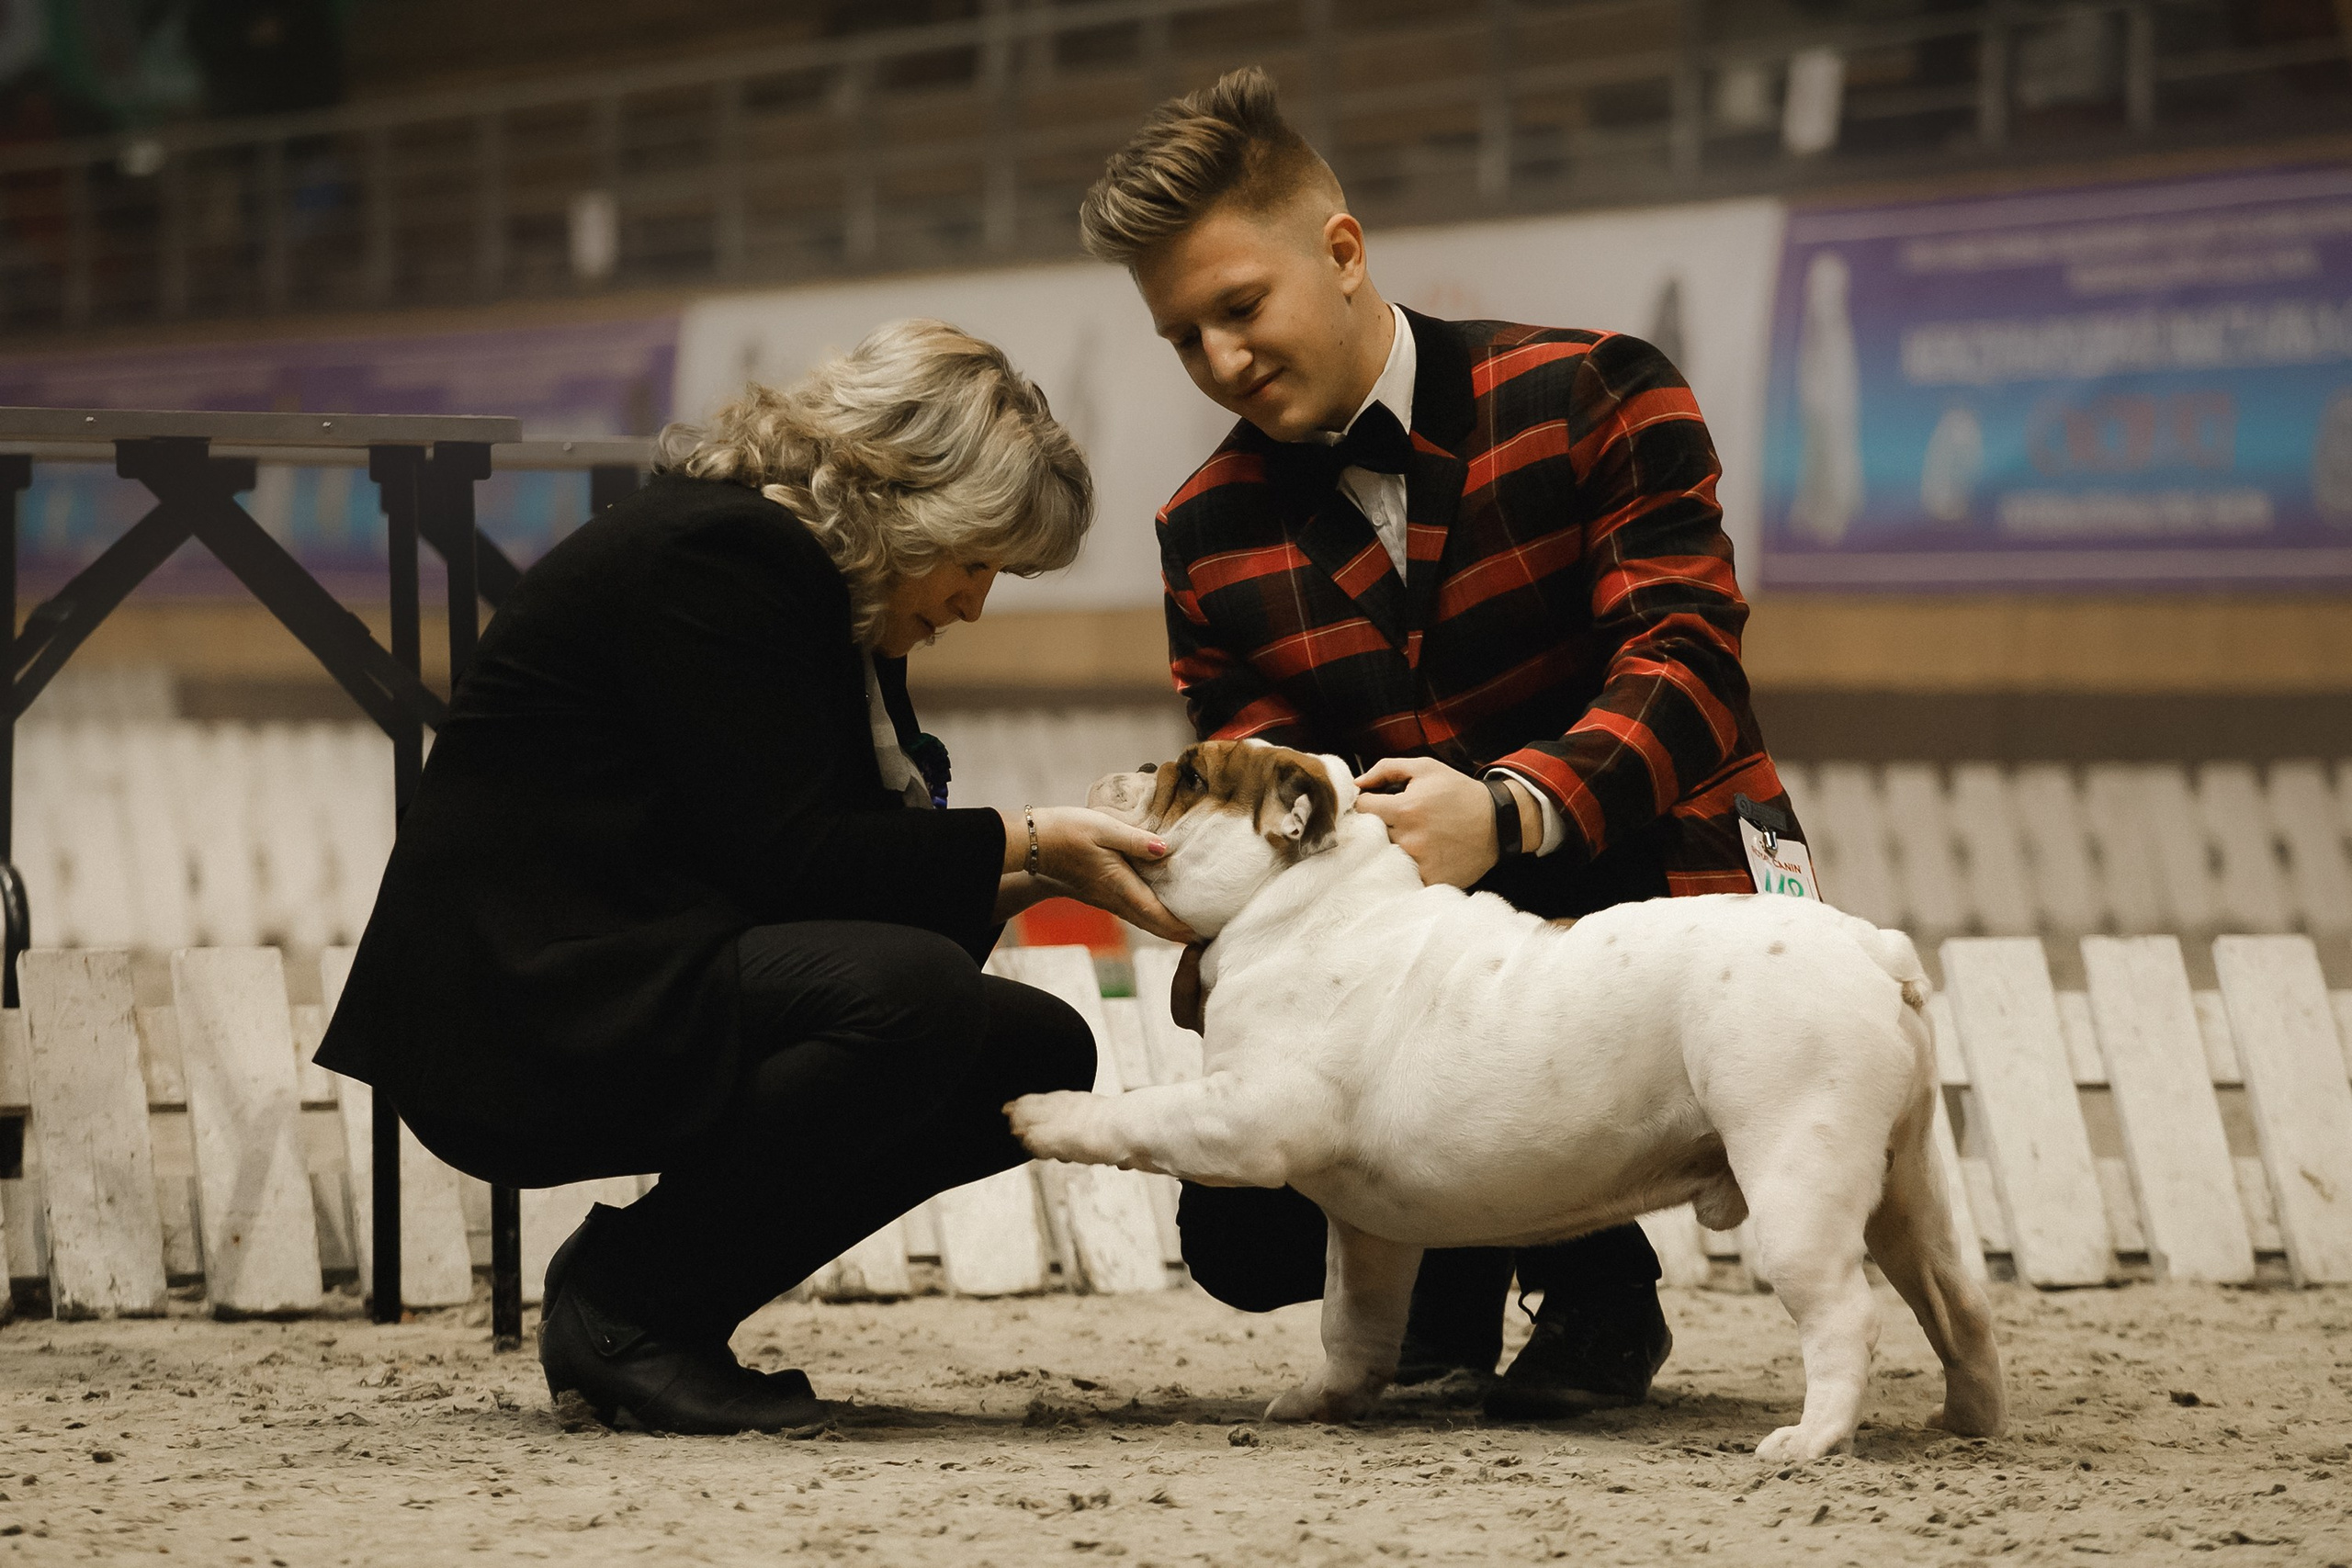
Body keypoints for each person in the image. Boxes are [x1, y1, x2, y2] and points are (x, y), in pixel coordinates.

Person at [316, 320, 1193, 1435]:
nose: (976, 603)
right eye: (977, 561)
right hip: (527, 1003)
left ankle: (658, 1304)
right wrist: (1026, 844)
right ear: (909, 499)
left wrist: (1044, 868)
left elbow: (847, 875)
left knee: (1032, 1053)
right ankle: (625, 1305)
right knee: (916, 1003)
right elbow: (796, 862)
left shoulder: (829, 592)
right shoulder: (728, 557)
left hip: (643, 966)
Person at [1079, 68, 1802, 1419]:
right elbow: (1264, 795)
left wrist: (1516, 807)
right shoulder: (1203, 528)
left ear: (1342, 252)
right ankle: (1468, 1289)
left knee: (1499, 905)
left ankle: (1582, 1287)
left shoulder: (1595, 388)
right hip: (1412, 936)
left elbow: (1687, 666)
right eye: (1185, 338)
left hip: (1660, 876)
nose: (1222, 359)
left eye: (1242, 307)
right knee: (1243, 1234)